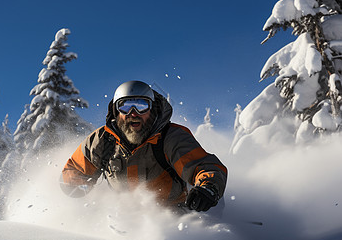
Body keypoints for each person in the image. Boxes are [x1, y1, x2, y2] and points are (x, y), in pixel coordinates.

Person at [61, 80, 227, 212]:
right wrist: (76, 185)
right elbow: (74, 170)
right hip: (119, 219)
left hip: (175, 215)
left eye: (141, 106)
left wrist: (208, 187)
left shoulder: (170, 137)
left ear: (152, 109)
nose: (133, 113)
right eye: (125, 107)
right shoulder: (102, 141)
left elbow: (203, 166)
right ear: (116, 111)